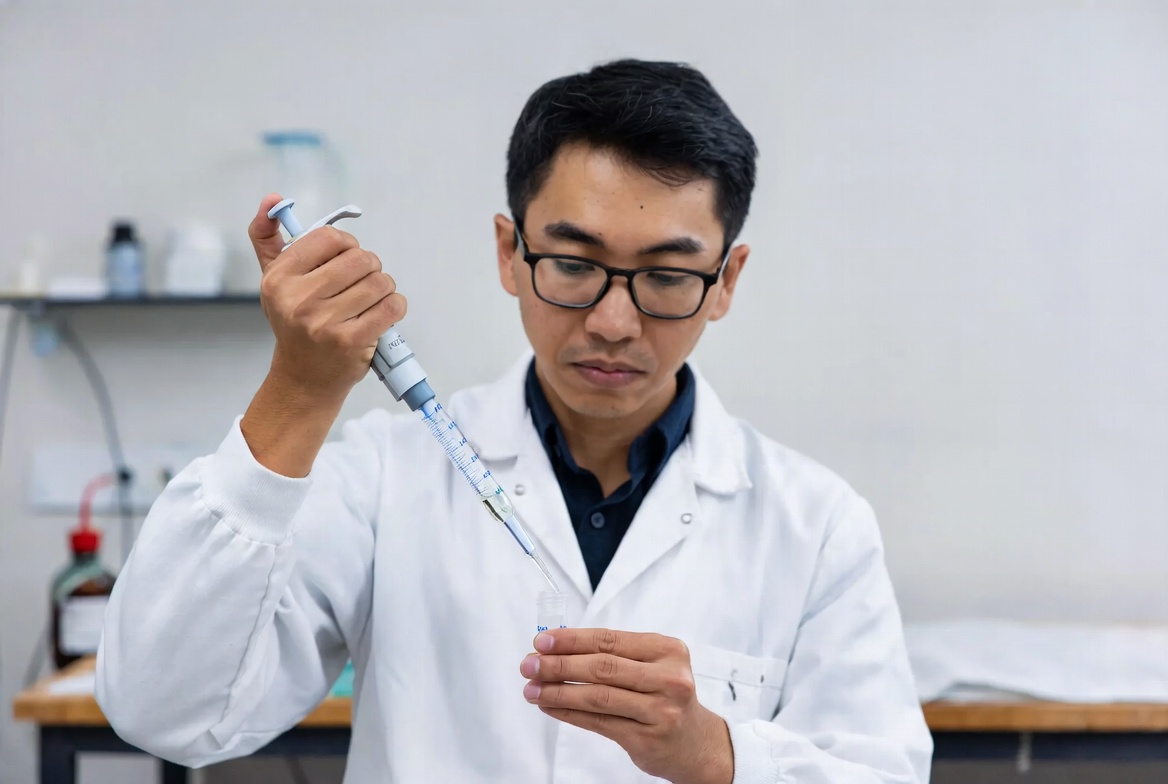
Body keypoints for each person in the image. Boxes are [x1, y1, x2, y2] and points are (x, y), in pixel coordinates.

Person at [96, 59, 932, 783]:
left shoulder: (815, 525)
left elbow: (880, 770)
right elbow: (165, 712)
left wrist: (717, 755)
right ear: (509, 252)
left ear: (726, 279)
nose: (613, 321)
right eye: (572, 264)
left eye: (668, 276)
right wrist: (298, 391)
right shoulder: (386, 477)